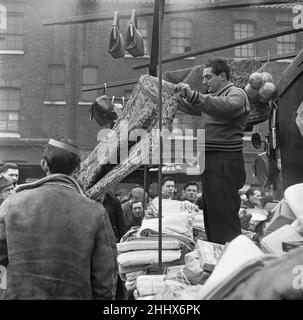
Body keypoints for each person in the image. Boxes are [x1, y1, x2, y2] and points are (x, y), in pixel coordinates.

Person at [0, 137, 117, 300]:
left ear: (43, 164)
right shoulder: (95, 211)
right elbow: (105, 276)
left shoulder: (11, 205)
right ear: (78, 168)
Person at [176, 58, 250, 244]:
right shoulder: (215, 98)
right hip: (212, 161)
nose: (204, 81)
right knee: (214, 214)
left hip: (223, 161)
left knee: (223, 215)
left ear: (223, 76)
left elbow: (224, 106)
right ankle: (219, 255)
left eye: (208, 77)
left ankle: (231, 260)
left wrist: (193, 95)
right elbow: (200, 104)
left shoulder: (236, 94)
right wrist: (177, 95)